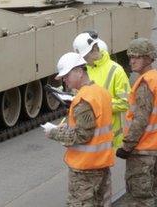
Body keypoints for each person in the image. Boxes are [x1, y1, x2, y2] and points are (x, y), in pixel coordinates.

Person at [45, 52, 114, 206]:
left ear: (79, 72)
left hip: (85, 170)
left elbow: (82, 135)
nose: (64, 80)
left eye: (66, 75)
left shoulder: (84, 99)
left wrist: (54, 132)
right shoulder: (101, 92)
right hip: (101, 164)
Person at [116, 38, 157, 206]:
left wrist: (127, 145)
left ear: (148, 58)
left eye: (136, 57)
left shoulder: (146, 83)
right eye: (130, 57)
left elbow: (140, 119)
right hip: (156, 146)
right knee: (152, 193)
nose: (132, 61)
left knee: (140, 199)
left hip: (143, 150)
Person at [73, 32, 130, 149]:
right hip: (89, 133)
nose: (83, 61)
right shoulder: (85, 70)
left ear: (94, 49)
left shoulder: (116, 70)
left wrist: (98, 105)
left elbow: (125, 103)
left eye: (84, 57)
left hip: (109, 136)